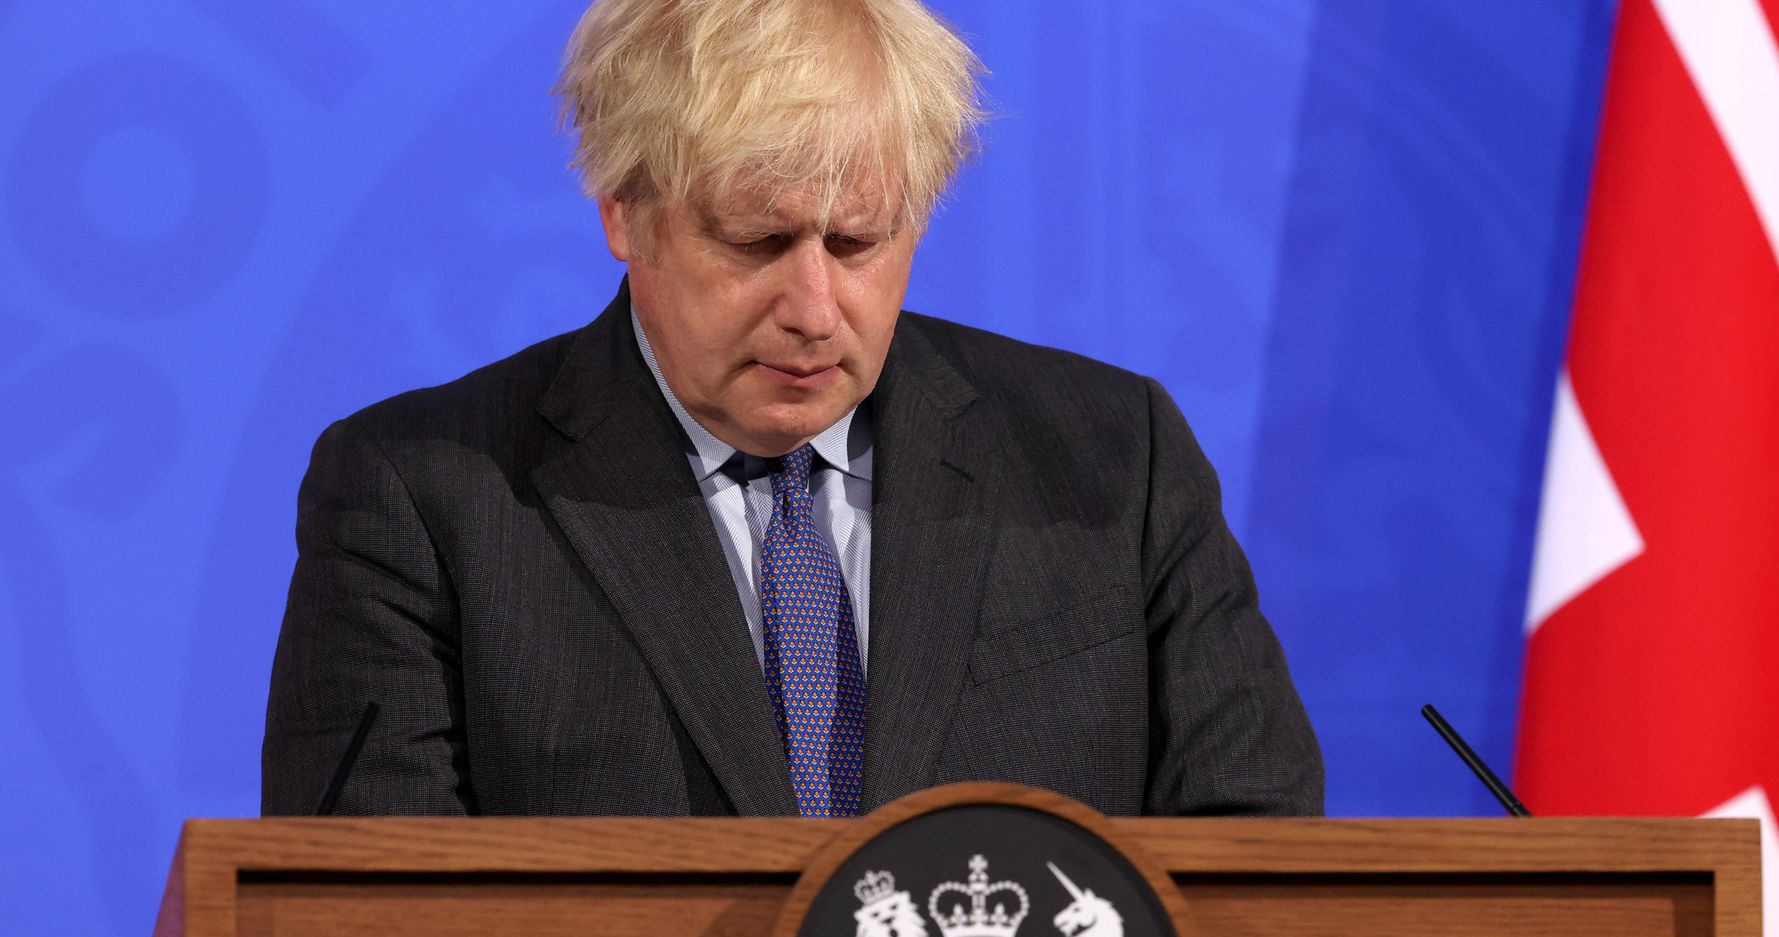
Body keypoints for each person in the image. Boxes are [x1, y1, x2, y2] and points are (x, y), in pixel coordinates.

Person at [261, 0, 1322, 818]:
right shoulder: (423, 497)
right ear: (624, 214)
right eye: (758, 243)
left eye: (858, 244)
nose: (816, 310)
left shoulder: (1110, 461)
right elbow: (366, 928)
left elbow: (1255, 860)